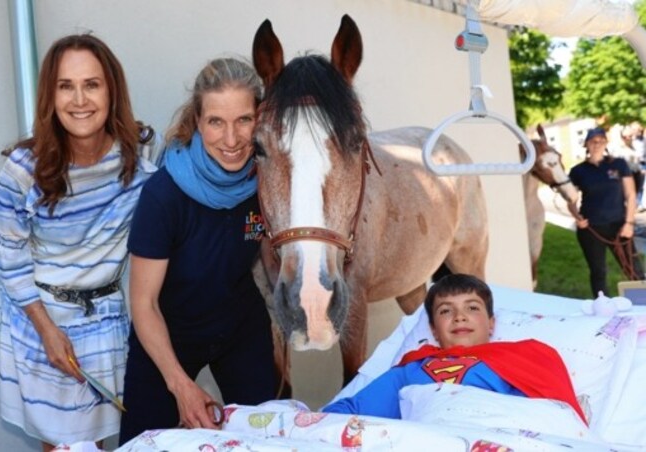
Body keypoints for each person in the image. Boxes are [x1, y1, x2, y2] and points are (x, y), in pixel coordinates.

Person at [0, 34, 160, 450]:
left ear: (112, 91)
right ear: (50, 95)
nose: (79, 100)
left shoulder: (138, 156)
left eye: (92, 84)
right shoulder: (21, 170)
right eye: (66, 86)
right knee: (61, 445)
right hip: (40, 318)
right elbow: (8, 257)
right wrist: (47, 330)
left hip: (105, 322)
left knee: (100, 442)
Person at [118, 58, 277, 443]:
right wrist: (181, 386)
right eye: (216, 122)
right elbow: (143, 303)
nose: (232, 139)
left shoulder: (267, 181)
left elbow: (274, 260)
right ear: (198, 121)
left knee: (268, 437)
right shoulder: (164, 196)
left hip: (239, 325)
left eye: (243, 120)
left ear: (260, 118)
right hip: (168, 333)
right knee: (143, 444)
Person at [322, 274, 586, 424]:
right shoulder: (411, 368)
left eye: (472, 308)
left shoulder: (529, 356)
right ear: (434, 330)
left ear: (491, 323)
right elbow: (346, 414)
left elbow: (557, 418)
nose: (459, 317)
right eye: (446, 311)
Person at [567, 127, 644, 297]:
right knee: (598, 272)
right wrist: (577, 217)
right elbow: (570, 200)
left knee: (633, 269)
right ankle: (604, 308)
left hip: (619, 226)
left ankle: (642, 305)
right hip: (591, 229)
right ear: (586, 144)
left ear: (606, 143)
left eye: (601, 140)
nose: (597, 144)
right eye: (593, 141)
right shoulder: (578, 171)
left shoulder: (618, 165)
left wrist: (629, 223)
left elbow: (631, 195)